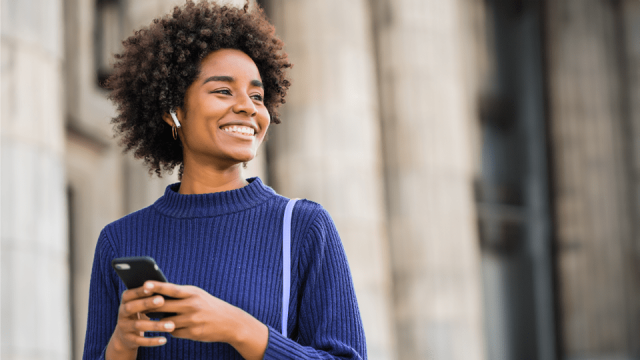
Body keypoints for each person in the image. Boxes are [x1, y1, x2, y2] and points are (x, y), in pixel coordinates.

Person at [82, 1, 367, 360]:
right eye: (223, 91)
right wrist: (121, 344)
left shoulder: (303, 227)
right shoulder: (120, 240)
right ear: (174, 110)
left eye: (257, 96)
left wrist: (240, 329)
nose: (248, 106)